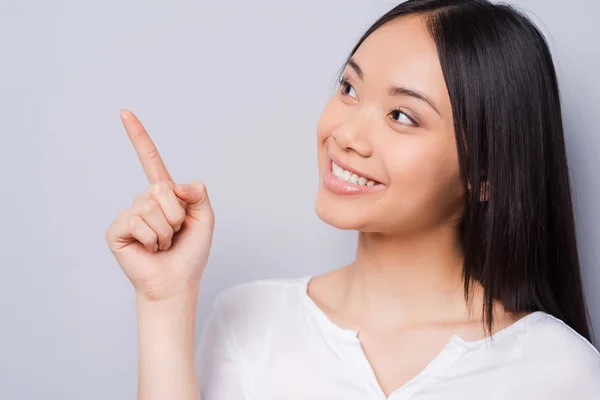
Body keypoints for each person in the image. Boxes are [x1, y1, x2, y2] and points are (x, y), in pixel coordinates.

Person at [105, 0, 600, 398]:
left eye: (402, 116)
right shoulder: (249, 320)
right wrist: (163, 301)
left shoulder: (561, 371)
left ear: (485, 174)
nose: (346, 134)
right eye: (349, 87)